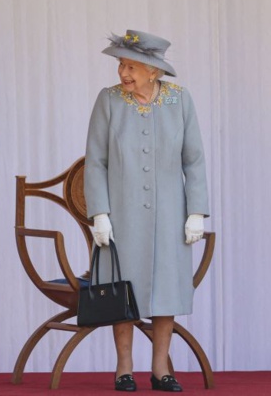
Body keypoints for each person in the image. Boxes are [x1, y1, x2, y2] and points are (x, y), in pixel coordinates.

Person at [84, 30, 209, 393]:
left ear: (154, 71)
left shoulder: (179, 101)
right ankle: (124, 368)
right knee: (123, 290)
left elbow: (194, 160)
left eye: (131, 66)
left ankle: (160, 370)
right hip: (121, 215)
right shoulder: (108, 100)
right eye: (121, 64)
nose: (123, 72)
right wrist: (100, 213)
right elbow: (96, 162)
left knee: (166, 290)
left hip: (171, 214)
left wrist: (196, 211)